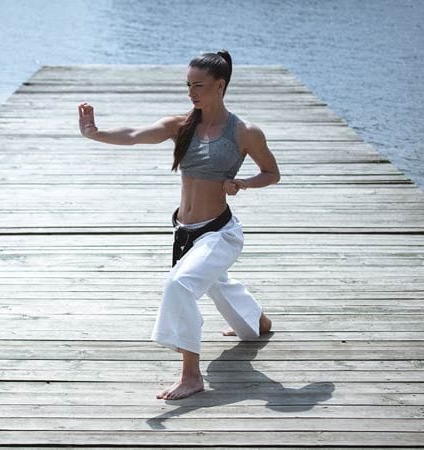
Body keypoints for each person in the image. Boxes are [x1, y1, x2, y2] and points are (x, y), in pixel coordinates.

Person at [77, 50, 279, 400]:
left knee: (181, 284)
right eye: (188, 85)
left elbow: (272, 173)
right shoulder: (182, 126)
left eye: (198, 86)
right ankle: (259, 321)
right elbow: (135, 134)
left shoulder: (245, 132)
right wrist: (96, 132)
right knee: (218, 286)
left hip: (220, 232)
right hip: (184, 232)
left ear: (220, 85)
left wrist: (243, 183)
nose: (191, 93)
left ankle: (191, 375)